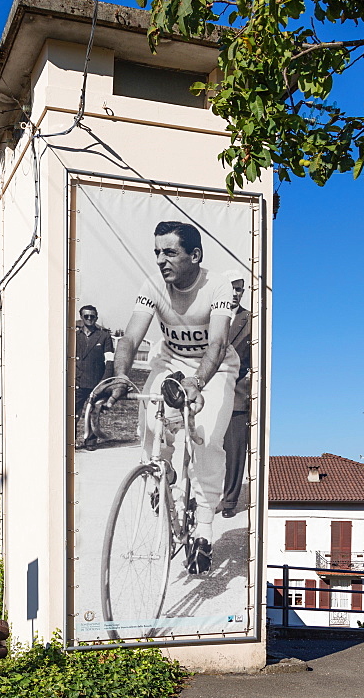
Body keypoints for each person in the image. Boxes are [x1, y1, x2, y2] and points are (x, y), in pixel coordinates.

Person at [95, 221, 238, 574]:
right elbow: (129, 338)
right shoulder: (152, 285)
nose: (160, 259)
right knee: (152, 425)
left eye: (170, 252)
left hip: (214, 369)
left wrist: (197, 382)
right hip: (169, 361)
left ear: (195, 255)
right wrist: (121, 375)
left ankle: (204, 528)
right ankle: (162, 476)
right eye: (157, 252)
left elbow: (218, 343)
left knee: (206, 438)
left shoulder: (217, 285)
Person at [220, 273, 251, 518]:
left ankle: (230, 501)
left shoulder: (250, 320)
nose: (235, 293)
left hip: (236, 393)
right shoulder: (208, 316)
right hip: (206, 392)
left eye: (239, 290)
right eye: (231, 288)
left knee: (235, 450)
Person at [75, 305, 114, 447]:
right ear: (82, 317)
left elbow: (109, 361)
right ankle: (68, 442)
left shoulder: (104, 336)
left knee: (92, 413)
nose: (89, 319)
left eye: (92, 316)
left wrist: (105, 381)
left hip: (96, 383)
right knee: (72, 414)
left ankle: (90, 441)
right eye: (86, 316)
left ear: (96, 317)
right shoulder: (74, 336)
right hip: (77, 382)